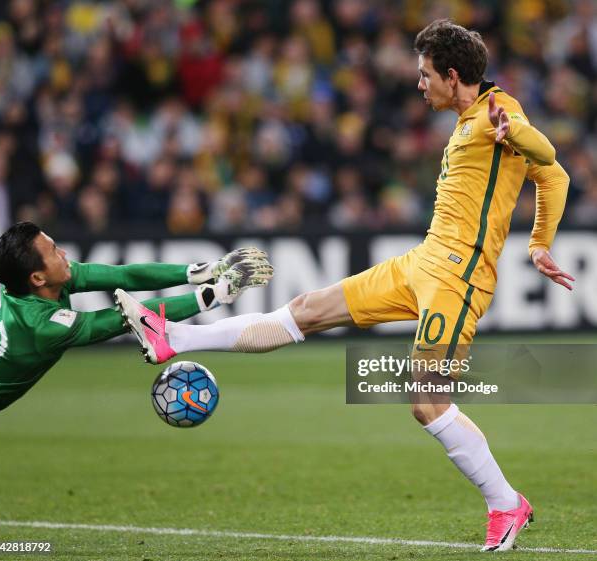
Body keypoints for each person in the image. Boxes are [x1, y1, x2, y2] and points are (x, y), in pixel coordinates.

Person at [117, 20, 573, 551]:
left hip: (459, 277)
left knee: (426, 399)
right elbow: (554, 178)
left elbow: (548, 157)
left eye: (425, 75)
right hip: (423, 262)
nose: (418, 84)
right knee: (307, 308)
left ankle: (505, 503)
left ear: (452, 76)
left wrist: (517, 145)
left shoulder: (501, 112)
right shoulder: (469, 117)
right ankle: (173, 337)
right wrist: (539, 242)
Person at [0, 221, 273, 421]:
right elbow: (129, 317)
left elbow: (127, 276)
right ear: (37, 277)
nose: (63, 254)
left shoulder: (39, 283)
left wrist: (204, 270)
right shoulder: (40, 327)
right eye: (54, 252)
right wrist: (216, 294)